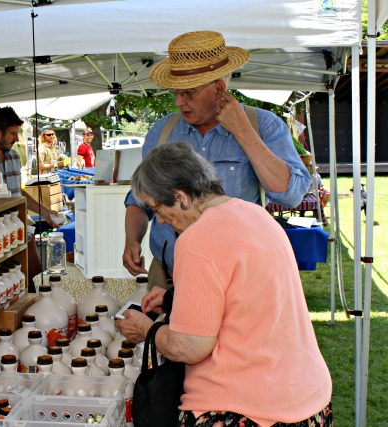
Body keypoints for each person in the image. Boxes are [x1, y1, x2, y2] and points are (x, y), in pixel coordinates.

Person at [115, 142, 332, 427]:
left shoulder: (197, 240)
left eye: (158, 208)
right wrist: (173, 298)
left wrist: (149, 331)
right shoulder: (254, 214)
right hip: (305, 395)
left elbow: (190, 347)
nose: (160, 220)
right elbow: (245, 292)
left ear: (180, 197)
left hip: (245, 408)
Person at [122, 30, 312, 287]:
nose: (179, 101)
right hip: (169, 276)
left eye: (188, 93)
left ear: (219, 89)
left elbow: (290, 195)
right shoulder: (162, 131)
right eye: (176, 92)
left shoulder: (264, 126)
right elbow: (139, 200)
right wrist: (132, 240)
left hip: (237, 280)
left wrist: (242, 130)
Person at [0, 107, 61, 289]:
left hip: (18, 222)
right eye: (12, 134)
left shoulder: (13, 156)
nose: (16, 139)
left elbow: (17, 191)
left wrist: (45, 211)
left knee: (35, 276)